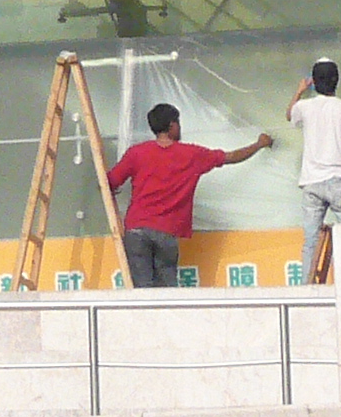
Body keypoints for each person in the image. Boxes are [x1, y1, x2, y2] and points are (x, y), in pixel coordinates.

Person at [106, 101, 271, 289]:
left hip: (136, 230)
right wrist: (260, 144)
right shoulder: (191, 155)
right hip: (165, 232)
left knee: (142, 291)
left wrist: (111, 187)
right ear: (172, 125)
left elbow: (109, 181)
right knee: (167, 291)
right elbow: (231, 157)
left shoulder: (137, 153)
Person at [287, 57, 341, 284]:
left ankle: (306, 287)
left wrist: (299, 91)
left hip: (311, 183)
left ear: (314, 82)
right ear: (337, 81)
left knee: (311, 242)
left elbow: (289, 115)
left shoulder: (304, 107)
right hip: (338, 182)